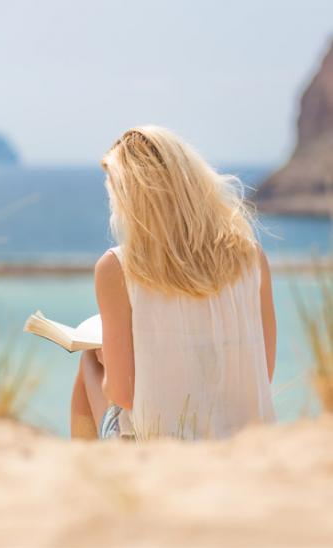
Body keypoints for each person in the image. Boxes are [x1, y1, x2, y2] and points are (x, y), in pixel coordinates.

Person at [70, 126, 276, 441]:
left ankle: (88, 480)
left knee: (88, 364)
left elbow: (123, 394)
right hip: (245, 444)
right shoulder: (252, 257)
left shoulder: (118, 267)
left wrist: (106, 360)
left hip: (161, 447)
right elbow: (265, 369)